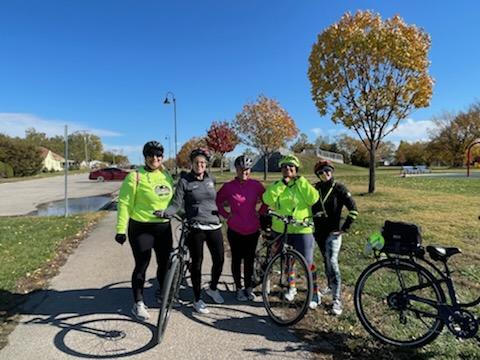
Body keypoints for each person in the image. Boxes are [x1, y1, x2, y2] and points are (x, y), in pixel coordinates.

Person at [115, 141, 174, 321]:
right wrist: (120, 229)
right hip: (141, 227)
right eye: (151, 155)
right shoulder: (135, 177)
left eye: (158, 155)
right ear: (145, 157)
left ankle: (162, 293)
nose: (155, 159)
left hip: (163, 227)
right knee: (142, 264)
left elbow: (173, 200)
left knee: (164, 263)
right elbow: (124, 203)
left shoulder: (166, 175)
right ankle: (138, 302)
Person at [161, 148, 224, 314]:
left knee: (220, 259)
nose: (200, 165)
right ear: (192, 164)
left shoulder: (212, 179)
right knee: (197, 263)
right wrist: (167, 212)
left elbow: (214, 201)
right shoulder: (185, 181)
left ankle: (213, 288)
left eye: (203, 162)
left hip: (214, 225)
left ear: (206, 164)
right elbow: (176, 203)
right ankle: (197, 299)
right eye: (197, 162)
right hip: (195, 227)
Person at [262, 154, 320, 309]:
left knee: (308, 263)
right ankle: (291, 287)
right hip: (281, 229)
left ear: (296, 169)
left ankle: (314, 292)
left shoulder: (303, 184)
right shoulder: (277, 184)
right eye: (285, 167)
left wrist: (300, 181)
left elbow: (313, 199)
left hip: (302, 229)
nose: (288, 169)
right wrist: (282, 184)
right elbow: (267, 199)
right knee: (287, 261)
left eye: (291, 167)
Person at [216, 155, 267, 301]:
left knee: (250, 260)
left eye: (247, 169)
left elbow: (267, 200)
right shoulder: (228, 186)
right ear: (236, 169)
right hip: (235, 229)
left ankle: (249, 287)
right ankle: (238, 288)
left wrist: (260, 212)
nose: (244, 172)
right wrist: (226, 215)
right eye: (241, 169)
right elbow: (217, 201)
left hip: (252, 228)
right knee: (237, 259)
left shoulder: (256, 185)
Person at [311, 160, 358, 315]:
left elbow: (353, 209)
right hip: (318, 232)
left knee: (332, 261)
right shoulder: (315, 188)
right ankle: (330, 286)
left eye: (328, 170)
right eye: (321, 172)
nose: (325, 174)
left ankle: (337, 300)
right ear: (318, 175)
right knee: (326, 260)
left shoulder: (339, 188)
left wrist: (345, 228)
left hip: (334, 233)